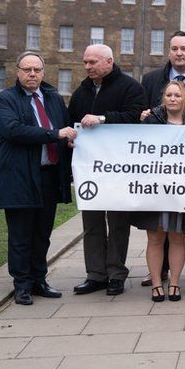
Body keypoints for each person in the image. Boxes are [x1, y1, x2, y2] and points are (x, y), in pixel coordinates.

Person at [0, 52, 77, 305]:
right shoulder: (4, 100)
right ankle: (22, 285)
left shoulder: (52, 98)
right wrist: (54, 134)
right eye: (27, 69)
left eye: (37, 70)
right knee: (21, 235)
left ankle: (39, 279)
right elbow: (13, 130)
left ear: (43, 71)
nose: (32, 74)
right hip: (19, 177)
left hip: (49, 176)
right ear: (17, 71)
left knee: (42, 233)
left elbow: (64, 127)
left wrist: (69, 139)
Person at [68, 44, 146, 296]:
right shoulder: (82, 91)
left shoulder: (130, 87)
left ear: (109, 61)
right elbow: (71, 121)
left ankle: (115, 274)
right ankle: (95, 274)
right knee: (91, 223)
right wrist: (70, 135)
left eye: (93, 62)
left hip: (119, 168)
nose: (88, 67)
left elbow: (136, 118)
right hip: (89, 169)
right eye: (86, 62)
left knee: (117, 222)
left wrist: (103, 118)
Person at [139, 31, 185, 287]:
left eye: (184, 48)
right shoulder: (150, 80)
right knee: (160, 226)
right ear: (169, 52)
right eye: (174, 48)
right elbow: (137, 117)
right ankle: (159, 271)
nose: (179, 53)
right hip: (160, 169)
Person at [132, 81, 185, 302]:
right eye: (169, 95)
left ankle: (174, 283)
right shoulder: (151, 121)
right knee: (155, 237)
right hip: (156, 189)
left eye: (177, 95)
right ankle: (156, 284)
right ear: (164, 98)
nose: (173, 99)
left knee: (177, 236)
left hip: (182, 191)